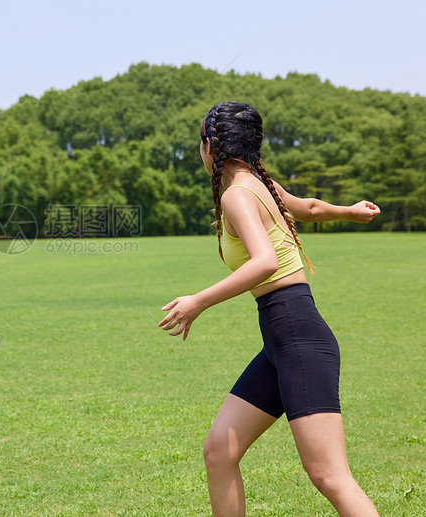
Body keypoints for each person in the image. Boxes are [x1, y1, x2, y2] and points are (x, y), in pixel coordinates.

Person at [157, 102, 380, 516]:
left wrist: (198, 302)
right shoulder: (259, 183)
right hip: (282, 340)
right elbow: (308, 209)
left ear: (211, 146)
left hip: (296, 336)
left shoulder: (238, 194)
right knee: (219, 451)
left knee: (329, 475)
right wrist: (349, 212)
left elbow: (265, 262)